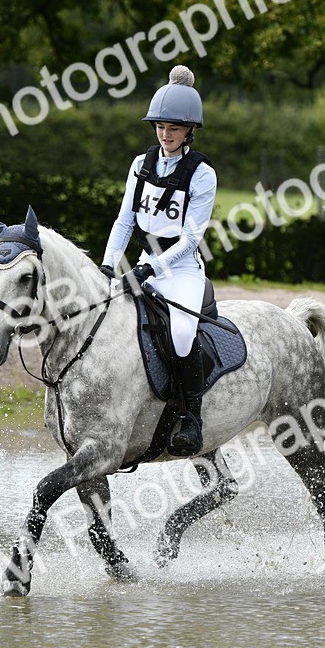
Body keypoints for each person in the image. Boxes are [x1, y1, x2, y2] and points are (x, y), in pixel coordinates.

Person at [100, 65, 217, 456]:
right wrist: (106, 265)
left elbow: (191, 239)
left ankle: (192, 418)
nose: (165, 134)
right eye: (160, 127)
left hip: (180, 269)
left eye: (174, 128)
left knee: (182, 333)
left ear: (190, 130)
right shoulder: (141, 164)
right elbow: (124, 220)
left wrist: (151, 268)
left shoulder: (202, 174)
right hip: (143, 262)